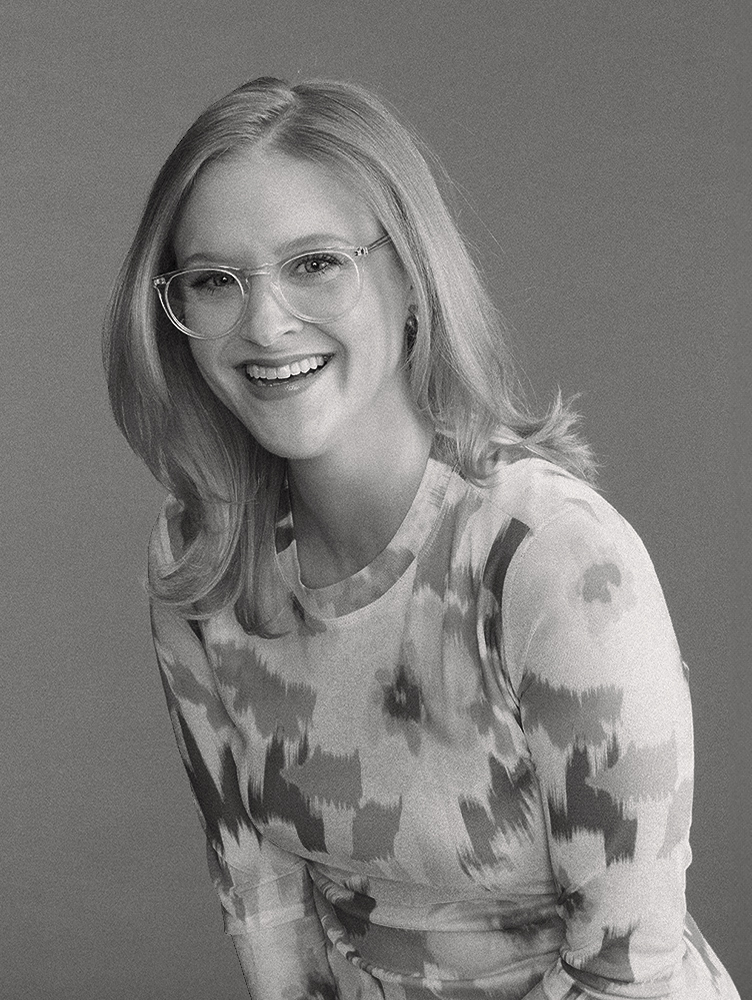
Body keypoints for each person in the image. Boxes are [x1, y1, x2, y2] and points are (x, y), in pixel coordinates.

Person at [104, 77, 740, 1000]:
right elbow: (262, 892)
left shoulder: (553, 559)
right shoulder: (199, 558)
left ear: (410, 275)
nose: (265, 322)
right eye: (213, 281)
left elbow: (625, 972)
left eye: (315, 262)